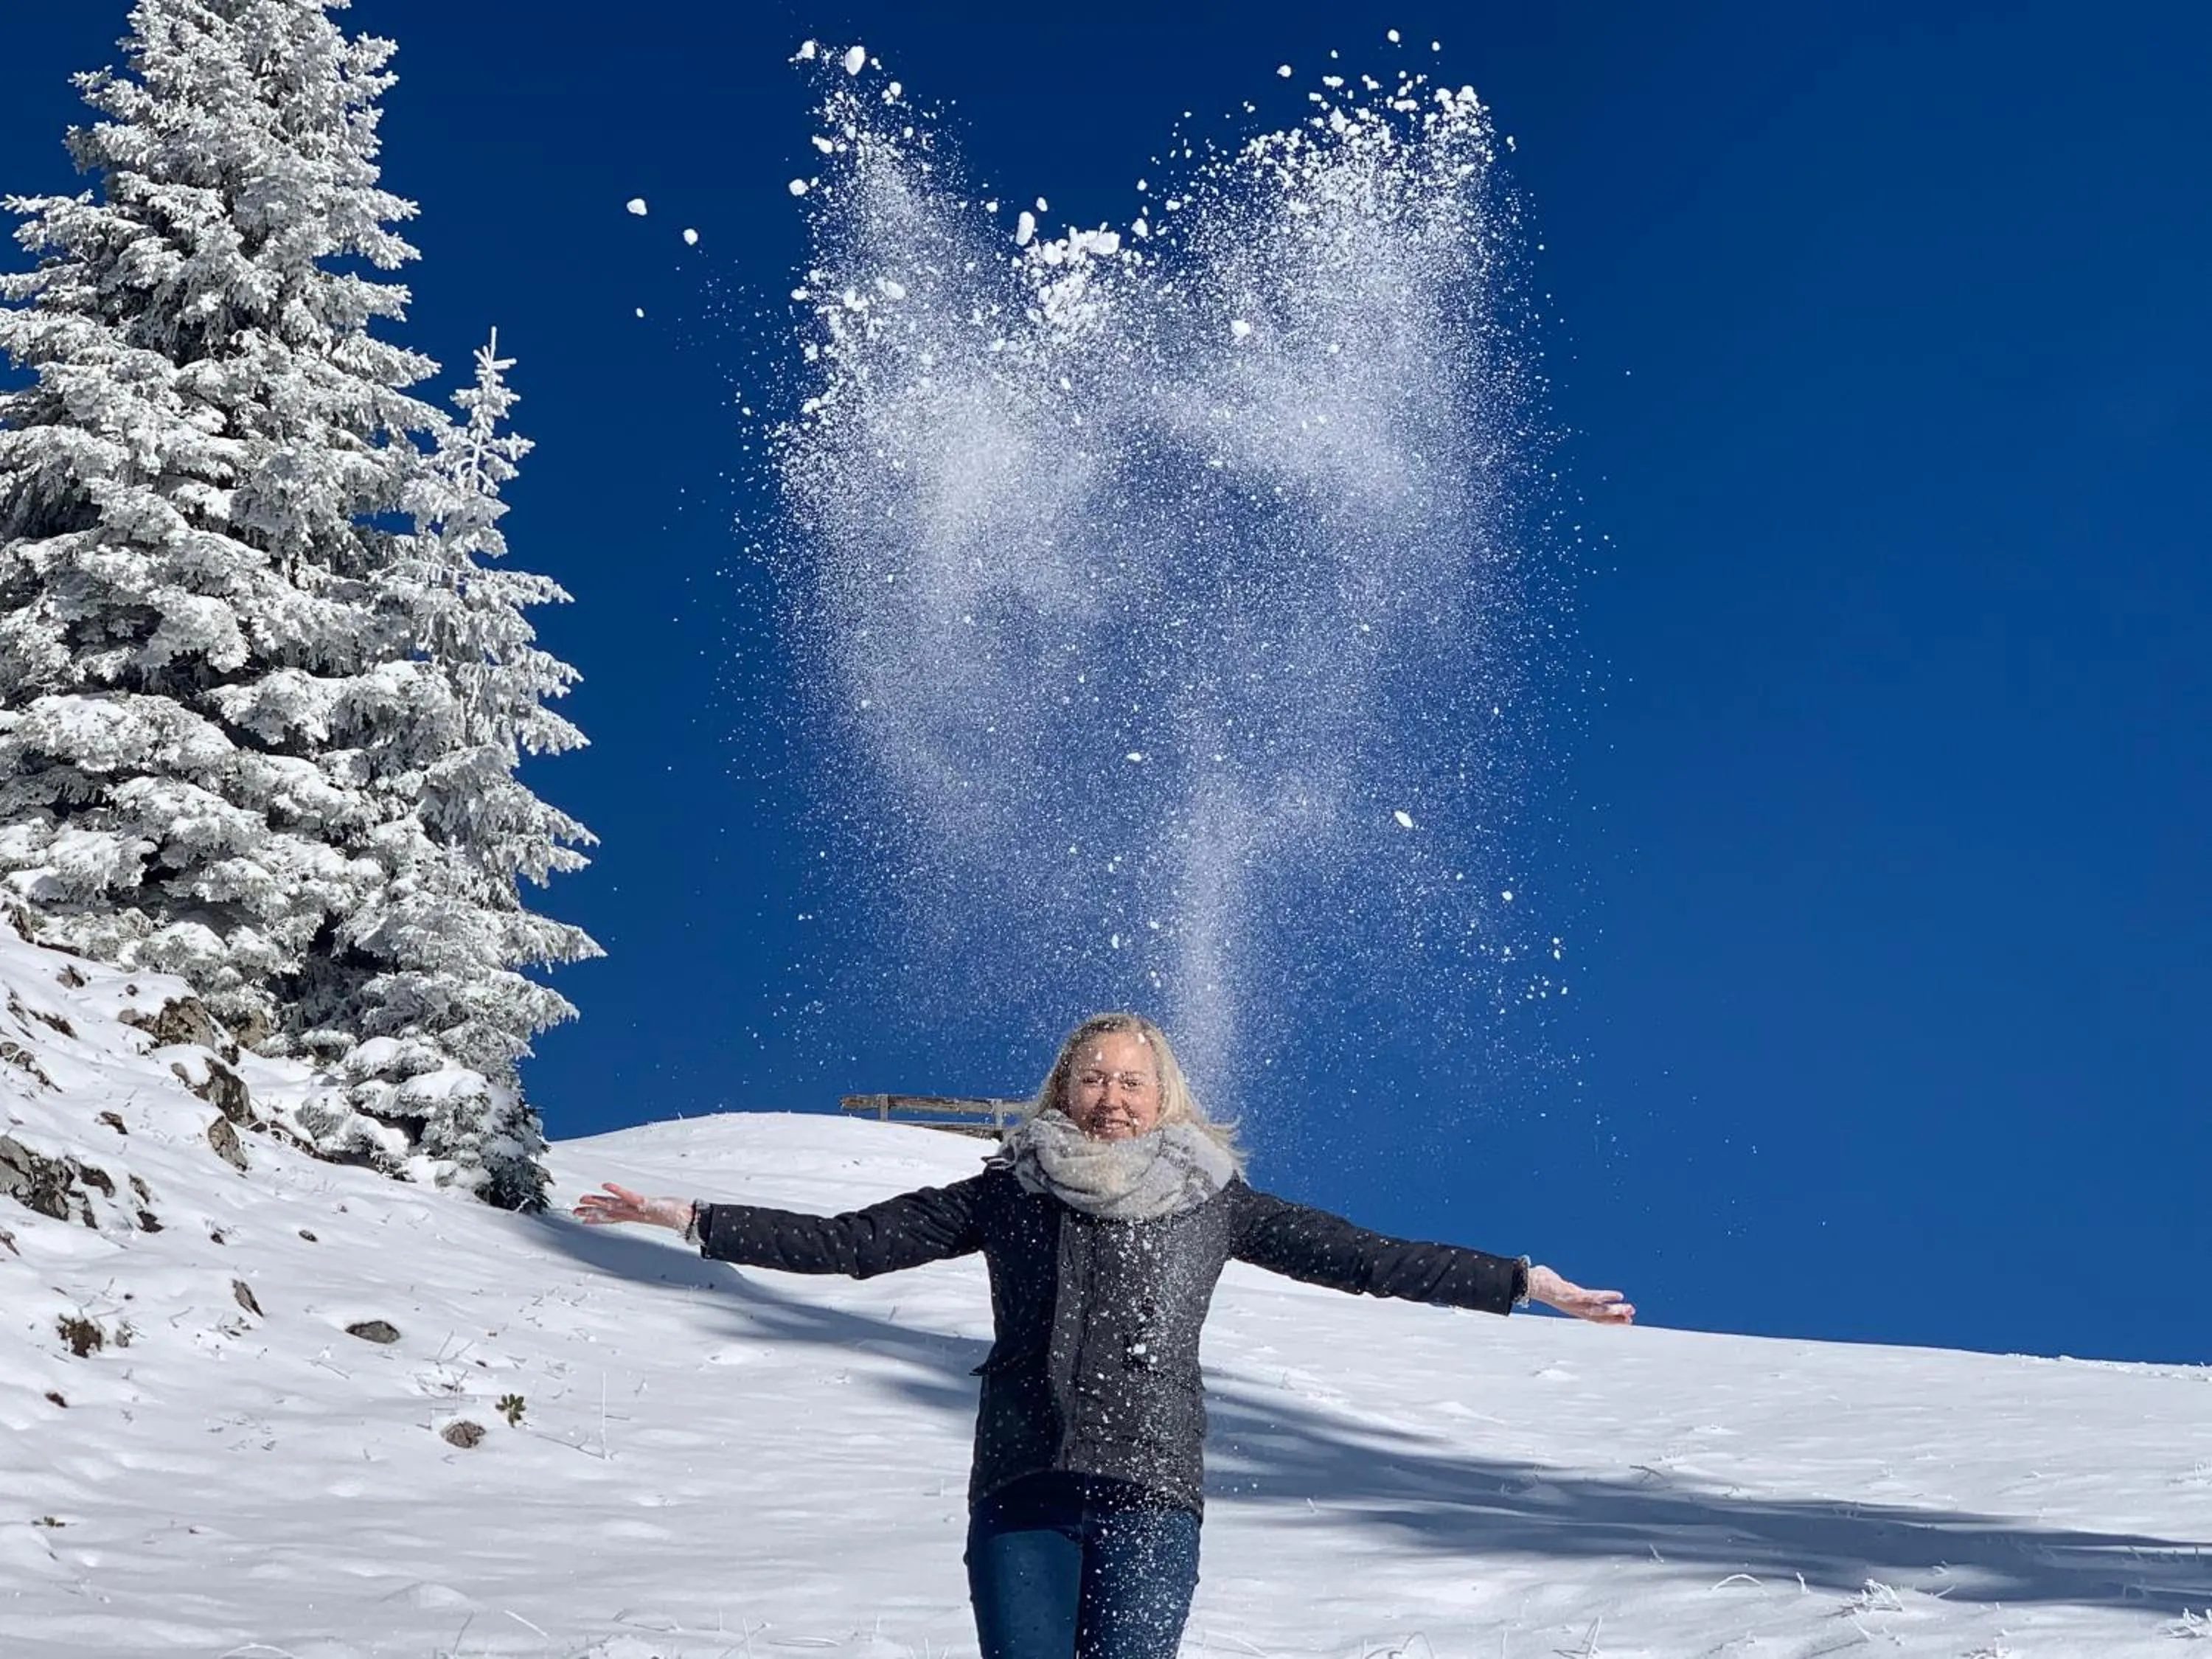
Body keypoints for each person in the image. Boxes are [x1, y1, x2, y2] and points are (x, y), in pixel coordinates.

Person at [575, 1012, 1633, 1659]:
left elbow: (1365, 1257)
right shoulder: (1010, 1192)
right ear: (1062, 1090)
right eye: (1093, 1078)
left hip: (1151, 1490)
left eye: (1132, 1080)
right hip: (1022, 1485)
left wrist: (1522, 1280)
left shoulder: (1213, 1202)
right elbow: (854, 1242)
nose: (1112, 1097)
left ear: (1164, 1097)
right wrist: (693, 1217)